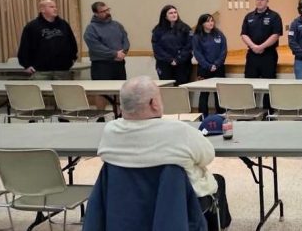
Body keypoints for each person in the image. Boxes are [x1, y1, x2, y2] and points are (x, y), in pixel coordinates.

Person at [97, 76, 231, 230]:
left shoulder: (109, 131)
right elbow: (207, 155)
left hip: (127, 206)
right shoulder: (179, 131)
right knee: (217, 181)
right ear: (153, 103)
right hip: (177, 207)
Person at [240, 0, 283, 113]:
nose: (259, 1)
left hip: (268, 55)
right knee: (249, 84)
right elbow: (243, 34)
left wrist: (262, 46)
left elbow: (276, 34)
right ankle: (248, 110)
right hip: (252, 55)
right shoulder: (249, 17)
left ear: (267, 1)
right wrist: (254, 46)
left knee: (268, 84)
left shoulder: (274, 16)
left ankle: (268, 111)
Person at [84, 1, 130, 110]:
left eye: (107, 10)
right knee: (101, 92)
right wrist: (114, 54)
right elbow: (96, 47)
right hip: (101, 65)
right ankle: (100, 115)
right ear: (96, 13)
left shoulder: (117, 25)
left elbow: (125, 39)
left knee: (120, 90)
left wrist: (123, 52)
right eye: (103, 11)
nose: (107, 13)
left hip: (118, 63)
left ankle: (119, 114)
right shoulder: (91, 28)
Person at [17, 0, 78, 80]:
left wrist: (73, 58)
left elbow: (72, 42)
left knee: (62, 92)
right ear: (42, 10)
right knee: (41, 92)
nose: (55, 9)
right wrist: (26, 65)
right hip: (40, 70)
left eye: (55, 7)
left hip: (63, 70)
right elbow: (24, 47)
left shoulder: (63, 24)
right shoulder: (32, 26)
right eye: (52, 7)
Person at [192, 14, 227, 118]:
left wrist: (216, 64)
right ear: (202, 24)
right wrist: (208, 66)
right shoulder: (197, 37)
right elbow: (197, 53)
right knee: (204, 93)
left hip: (218, 68)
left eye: (212, 20)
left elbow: (223, 51)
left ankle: (220, 115)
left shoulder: (219, 34)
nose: (211, 23)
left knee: (219, 92)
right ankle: (203, 116)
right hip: (204, 69)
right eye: (208, 21)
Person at [151, 5, 192, 86]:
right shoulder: (158, 30)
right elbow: (157, 47)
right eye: (170, 13)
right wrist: (170, 59)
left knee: (181, 88)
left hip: (182, 64)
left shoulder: (185, 28)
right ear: (165, 16)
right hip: (164, 64)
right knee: (166, 88)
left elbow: (189, 45)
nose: (174, 15)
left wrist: (178, 59)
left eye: (175, 12)